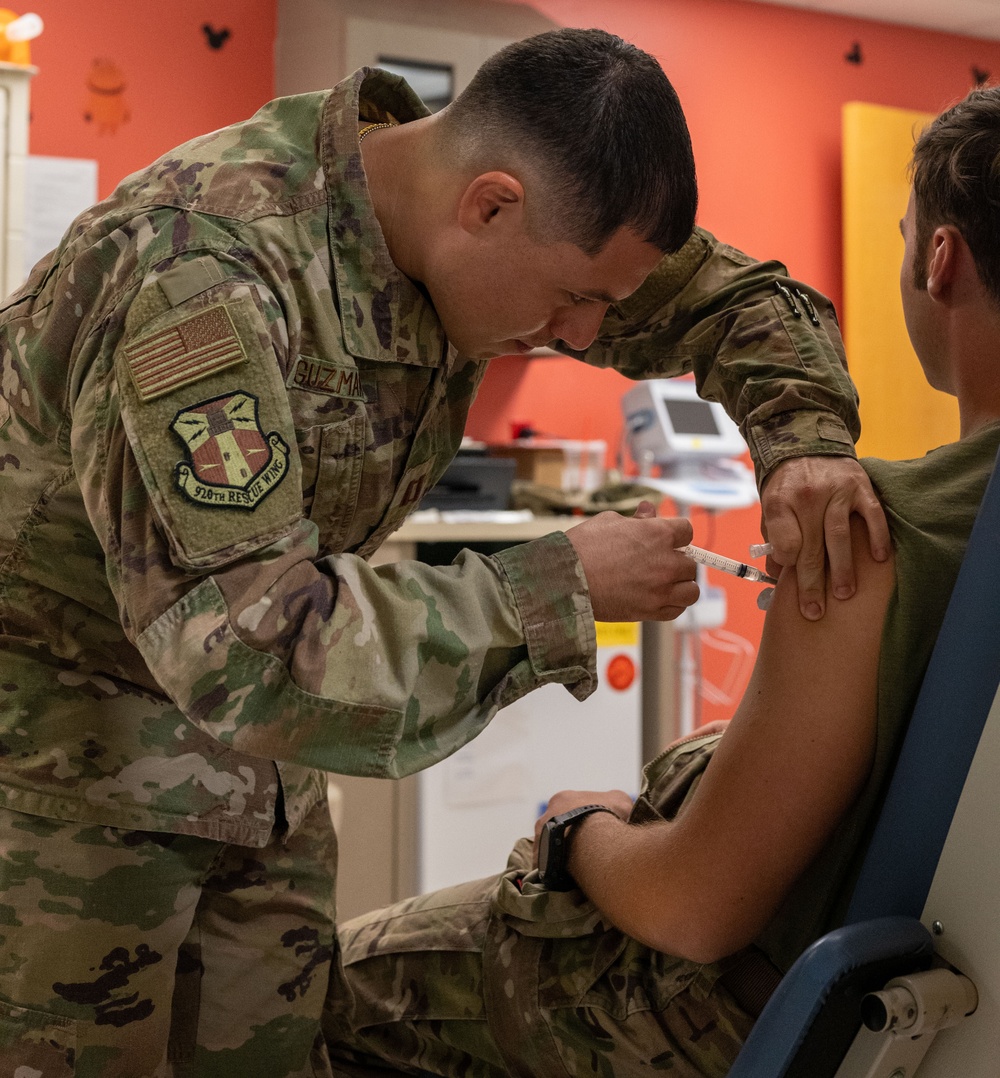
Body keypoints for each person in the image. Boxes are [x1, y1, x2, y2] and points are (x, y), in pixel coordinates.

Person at [0, 26, 884, 1078]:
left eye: (599, 306)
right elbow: (252, 657)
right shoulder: (198, 276)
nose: (580, 334)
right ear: (490, 203)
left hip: (258, 790)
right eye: (569, 300)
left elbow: (741, 303)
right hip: (61, 787)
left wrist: (805, 450)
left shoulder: (504, 227)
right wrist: (558, 585)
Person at [329, 84, 1000, 1078]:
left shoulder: (866, 536)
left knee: (315, 995)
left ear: (937, 259)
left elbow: (691, 906)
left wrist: (578, 823)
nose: (581, 332)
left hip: (724, 1003)